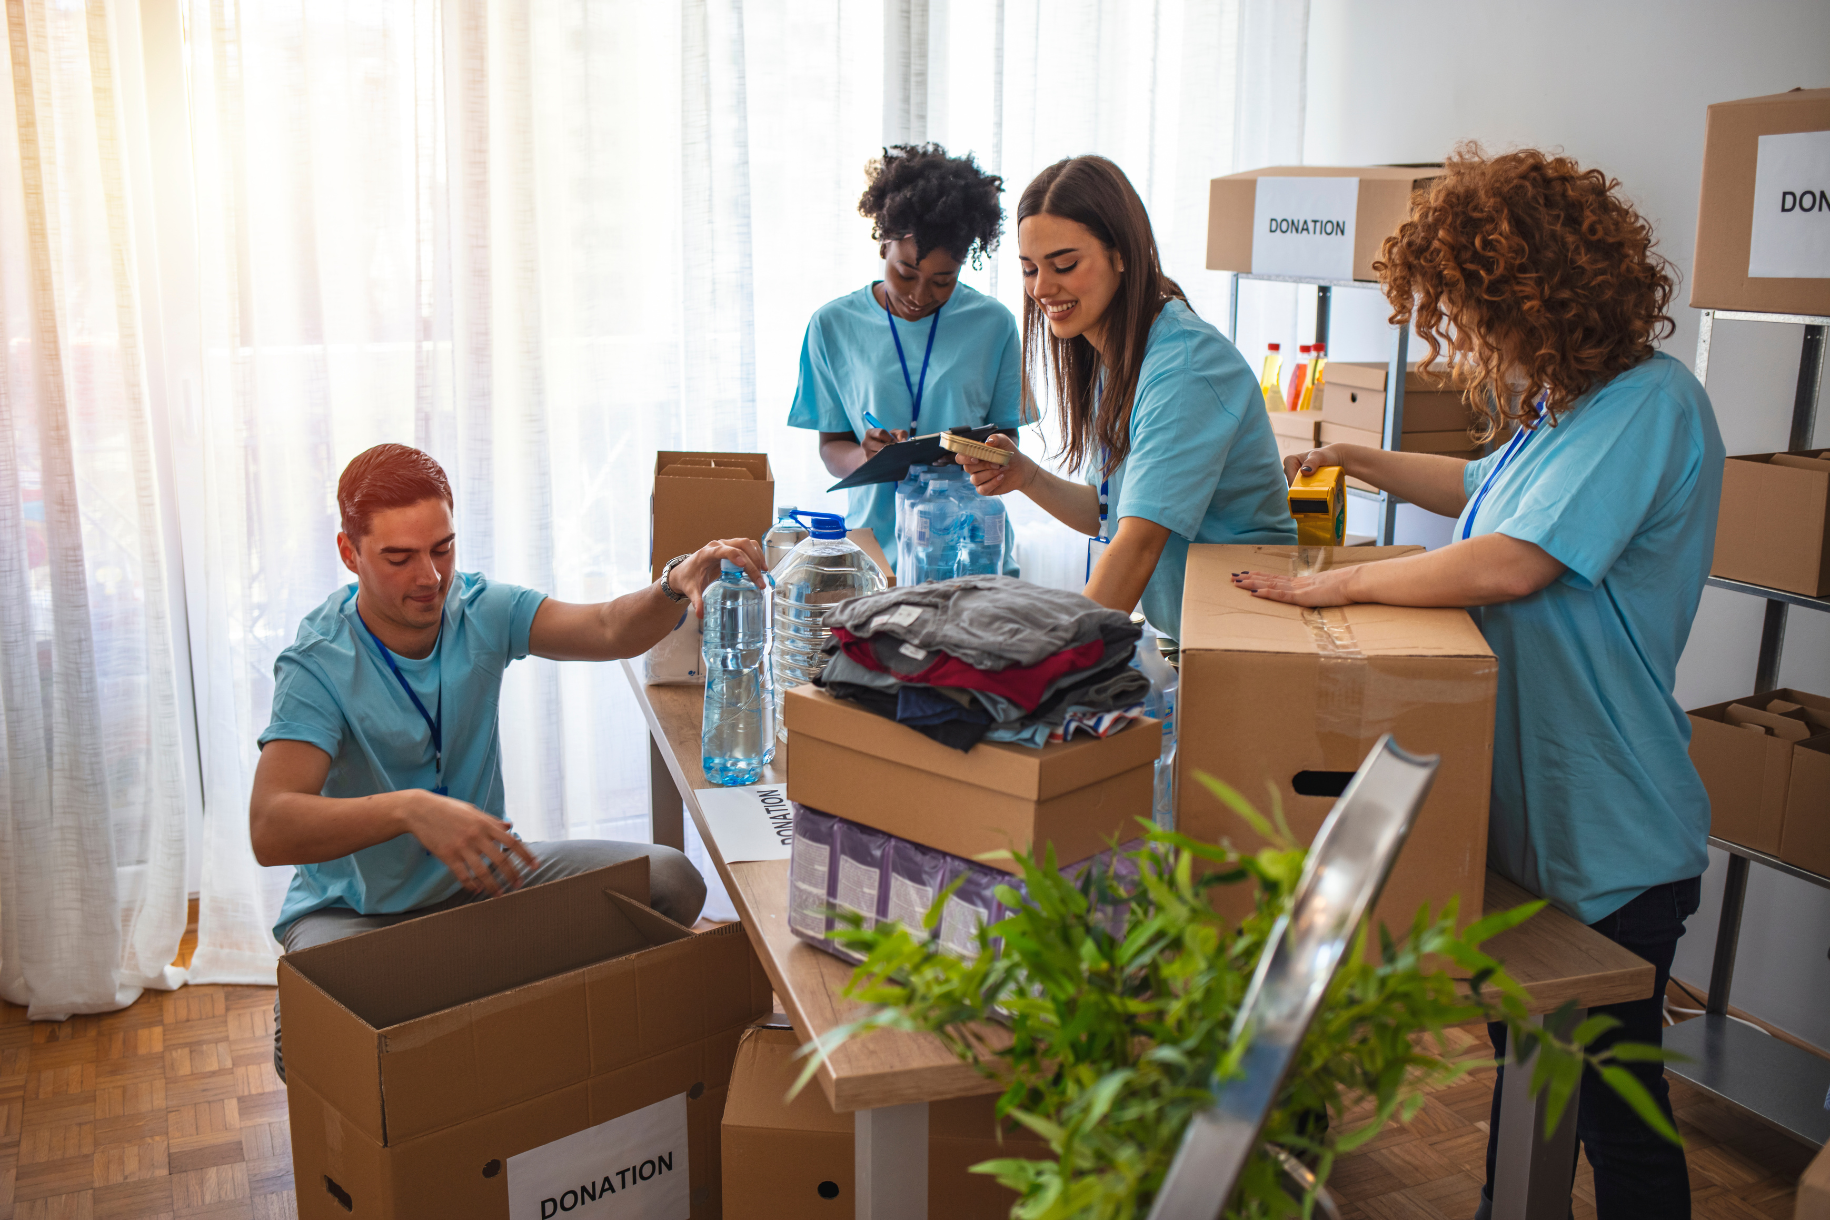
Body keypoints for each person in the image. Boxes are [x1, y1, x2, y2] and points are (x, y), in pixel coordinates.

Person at [1233, 147, 1721, 1219]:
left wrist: (1341, 582)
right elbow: (1484, 490)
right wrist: (1361, 458)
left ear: (1537, 294)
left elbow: (1512, 560)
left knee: (1614, 1110)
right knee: (1532, 1085)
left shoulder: (1652, 405)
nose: (1465, 343)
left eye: (1471, 314)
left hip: (1613, 832)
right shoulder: (1565, 407)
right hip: (1533, 824)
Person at [252, 443, 766, 1080]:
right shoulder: (317, 663)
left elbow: (608, 629)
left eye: (443, 548)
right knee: (310, 1043)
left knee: (671, 881)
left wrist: (675, 581)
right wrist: (410, 811)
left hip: (480, 890)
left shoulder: (478, 608)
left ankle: (477, 1002)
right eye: (399, 558)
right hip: (358, 916)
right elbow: (271, 826)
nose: (430, 577)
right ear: (348, 553)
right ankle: (476, 995)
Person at [953, 155, 1294, 640]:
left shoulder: (1185, 368)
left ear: (1122, 254)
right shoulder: (1112, 358)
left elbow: (1136, 545)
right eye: (1029, 269)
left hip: (1248, 637)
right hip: (1196, 634)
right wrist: (1026, 476)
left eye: (1065, 265)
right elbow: (1108, 511)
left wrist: (1052, 661)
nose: (1042, 288)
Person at [789, 143, 1022, 573]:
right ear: (884, 244)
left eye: (942, 280)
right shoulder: (832, 325)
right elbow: (831, 446)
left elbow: (1009, 439)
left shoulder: (995, 324)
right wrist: (865, 457)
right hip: (873, 557)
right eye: (905, 273)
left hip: (970, 553)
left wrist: (976, 454)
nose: (919, 295)